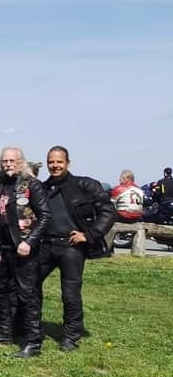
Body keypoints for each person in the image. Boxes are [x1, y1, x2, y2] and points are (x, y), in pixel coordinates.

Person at [38, 146, 116, 351]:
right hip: (46, 245)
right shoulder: (44, 188)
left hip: (71, 247)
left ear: (68, 163)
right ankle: (31, 327)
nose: (55, 165)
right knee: (30, 285)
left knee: (70, 292)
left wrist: (89, 235)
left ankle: (70, 336)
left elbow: (108, 211)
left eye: (59, 161)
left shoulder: (84, 184)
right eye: (51, 162)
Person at [0, 147, 50, 358]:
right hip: (3, 247)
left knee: (28, 294)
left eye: (12, 160)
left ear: (21, 162)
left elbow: (45, 216)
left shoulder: (32, 184)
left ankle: (33, 341)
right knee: (2, 291)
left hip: (24, 248)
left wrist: (30, 241)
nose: (8, 164)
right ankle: (4, 333)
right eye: (4, 161)